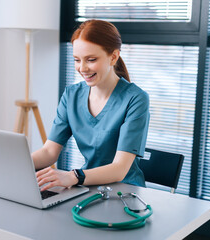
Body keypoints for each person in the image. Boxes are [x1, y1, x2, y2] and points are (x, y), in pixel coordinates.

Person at [32, 19, 150, 192]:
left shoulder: (136, 99)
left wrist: (73, 176)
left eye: (91, 59)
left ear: (113, 57)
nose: (82, 68)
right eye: (77, 60)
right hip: (89, 187)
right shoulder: (71, 95)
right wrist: (16, 164)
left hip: (124, 190)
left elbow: (119, 169)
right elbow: (49, 152)